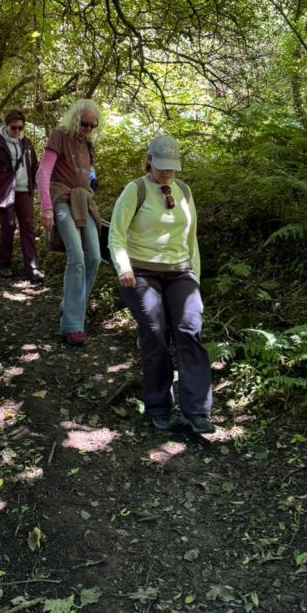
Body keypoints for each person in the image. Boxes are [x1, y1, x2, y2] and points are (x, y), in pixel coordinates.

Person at [108, 133, 214, 434]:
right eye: (161, 165)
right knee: (155, 333)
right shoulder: (135, 190)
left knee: (190, 330)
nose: (167, 172)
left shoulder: (184, 191)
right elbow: (116, 233)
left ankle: (196, 411)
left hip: (181, 271)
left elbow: (191, 239)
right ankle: (158, 406)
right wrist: (123, 267)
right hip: (141, 272)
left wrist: (196, 279)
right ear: (149, 159)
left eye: (172, 166)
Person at [36, 99, 102, 347]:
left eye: (91, 125)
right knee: (76, 256)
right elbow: (43, 173)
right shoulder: (59, 135)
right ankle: (73, 325)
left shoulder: (88, 144)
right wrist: (46, 207)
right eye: (83, 123)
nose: (87, 129)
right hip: (62, 199)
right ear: (75, 119)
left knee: (94, 257)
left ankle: (69, 304)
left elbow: (89, 173)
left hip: (84, 202)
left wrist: (91, 179)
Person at [0, 108, 43, 283]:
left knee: (28, 227)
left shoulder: (27, 143)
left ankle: (33, 267)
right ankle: (3, 264)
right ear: (6, 126)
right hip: (5, 191)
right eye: (13, 128)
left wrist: (42, 187)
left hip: (24, 190)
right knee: (8, 227)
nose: (17, 131)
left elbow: (35, 168)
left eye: (20, 128)